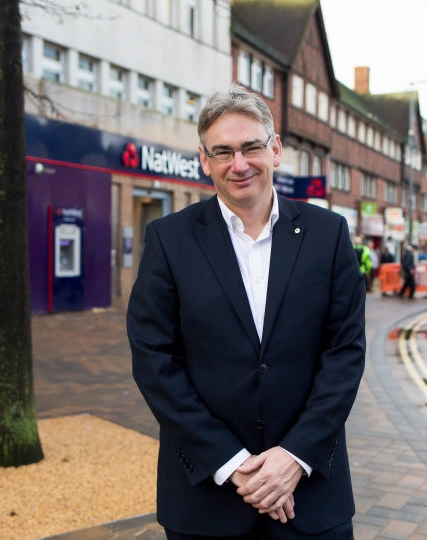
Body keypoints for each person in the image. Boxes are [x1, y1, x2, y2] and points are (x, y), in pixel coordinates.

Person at [127, 84, 365, 540]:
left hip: (311, 496)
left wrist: (293, 457)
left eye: (251, 147)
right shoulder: (168, 240)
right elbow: (154, 360)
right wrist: (234, 465)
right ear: (205, 161)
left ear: (275, 149)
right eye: (223, 152)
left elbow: (345, 352)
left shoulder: (329, 234)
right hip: (207, 500)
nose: (239, 164)